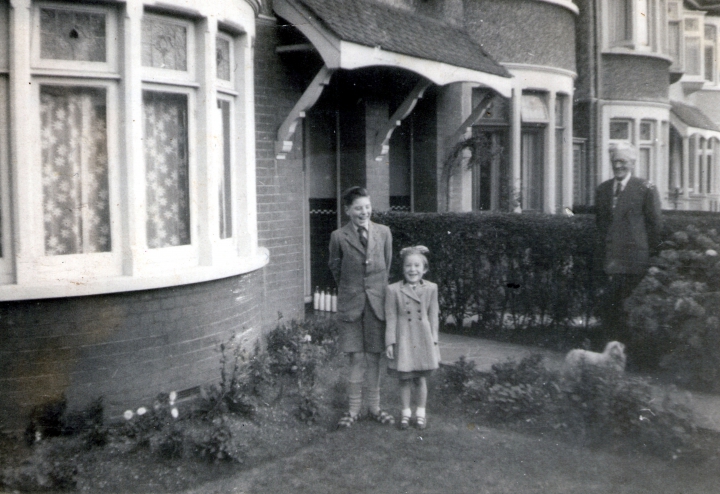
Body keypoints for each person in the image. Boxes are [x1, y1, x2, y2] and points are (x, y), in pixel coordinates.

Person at [329, 186, 395, 428]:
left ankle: (375, 408)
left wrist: (374, 292)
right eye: (358, 208)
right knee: (356, 357)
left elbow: (385, 267)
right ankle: (354, 410)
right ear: (348, 210)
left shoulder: (384, 233)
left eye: (367, 207)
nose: (364, 212)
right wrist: (353, 289)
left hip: (377, 305)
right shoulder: (338, 237)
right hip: (352, 306)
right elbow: (336, 269)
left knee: (374, 357)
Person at [595, 142, 662, 348]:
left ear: (632, 163)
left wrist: (653, 260)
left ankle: (632, 357)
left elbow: (654, 226)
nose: (618, 166)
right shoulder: (603, 190)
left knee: (631, 311)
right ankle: (611, 358)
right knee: (610, 311)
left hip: (635, 262)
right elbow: (601, 226)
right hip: (611, 262)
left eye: (623, 161)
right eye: (614, 161)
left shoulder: (645, 189)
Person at [385, 246, 440, 430]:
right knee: (405, 378)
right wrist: (390, 342)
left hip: (423, 338)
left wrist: (434, 338)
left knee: (421, 378)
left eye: (417, 265)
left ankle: (421, 413)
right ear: (403, 269)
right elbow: (391, 317)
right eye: (408, 265)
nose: (412, 269)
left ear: (424, 269)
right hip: (404, 338)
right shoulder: (393, 290)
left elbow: (433, 315)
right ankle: (406, 413)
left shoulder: (431, 288)